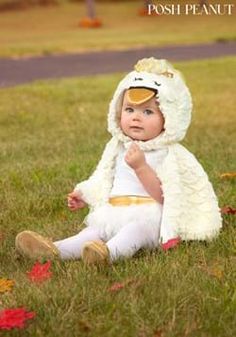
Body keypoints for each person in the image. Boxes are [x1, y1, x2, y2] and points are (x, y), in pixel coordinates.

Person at [15, 58, 222, 265]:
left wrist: (141, 167)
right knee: (91, 232)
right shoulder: (117, 146)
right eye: (129, 110)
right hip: (115, 211)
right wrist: (84, 193)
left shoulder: (167, 153)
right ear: (118, 110)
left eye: (147, 112)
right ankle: (54, 251)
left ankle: (107, 255)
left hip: (150, 216)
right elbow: (104, 176)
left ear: (168, 118)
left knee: (134, 231)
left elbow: (166, 195)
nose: (136, 118)